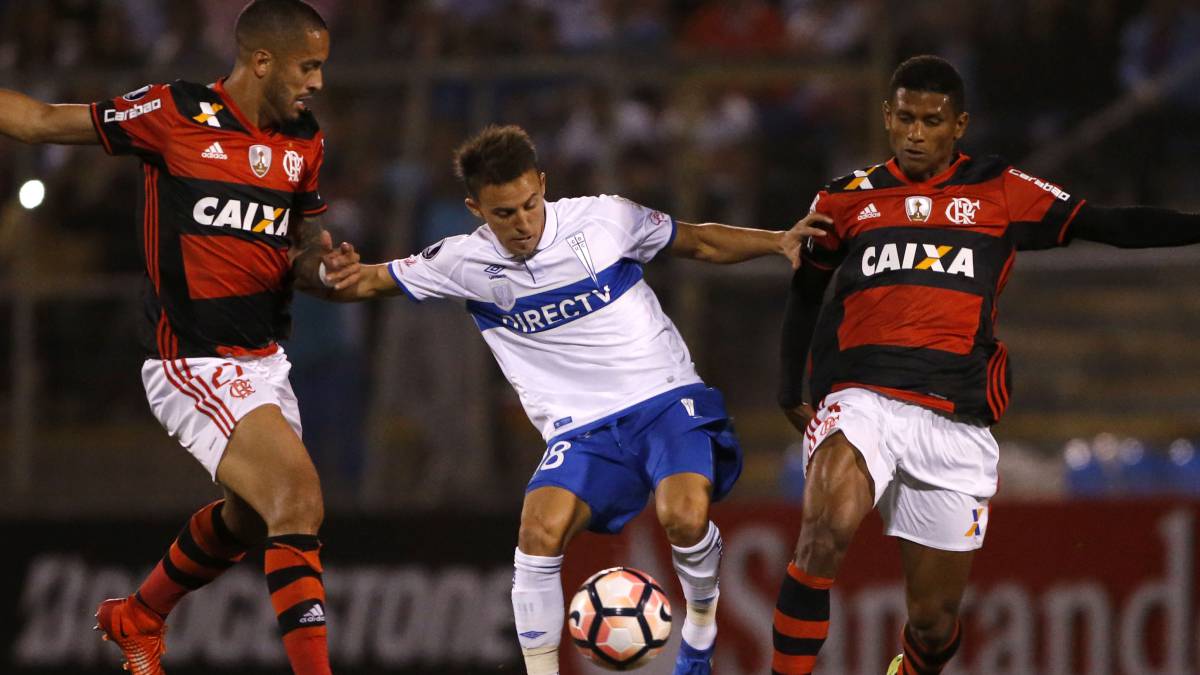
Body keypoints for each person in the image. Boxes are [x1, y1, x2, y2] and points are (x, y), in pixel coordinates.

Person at [328, 124, 828, 675]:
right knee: (537, 532)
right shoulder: (461, 262)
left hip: (663, 397)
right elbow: (368, 282)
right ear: (475, 209)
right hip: (581, 430)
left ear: (543, 183)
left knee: (684, 518)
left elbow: (698, 241)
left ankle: (700, 632)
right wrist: (325, 271)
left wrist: (777, 240)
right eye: (503, 214)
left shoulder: (604, 218)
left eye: (528, 204)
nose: (521, 223)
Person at [771, 54, 1200, 675]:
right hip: (862, 396)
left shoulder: (1001, 191)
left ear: (959, 124)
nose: (917, 132)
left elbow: (1107, 224)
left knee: (934, 623)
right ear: (886, 118)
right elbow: (807, 290)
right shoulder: (843, 201)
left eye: (932, 120)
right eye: (905, 118)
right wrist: (791, 384)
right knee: (825, 529)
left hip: (956, 417)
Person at [0, 2, 361, 674]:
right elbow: (39, 121)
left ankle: (138, 614)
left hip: (264, 361)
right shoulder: (175, 113)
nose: (316, 81)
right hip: (192, 358)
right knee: (299, 497)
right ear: (262, 61)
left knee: (252, 520)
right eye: (308, 66)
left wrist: (323, 265)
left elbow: (303, 247)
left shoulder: (305, 139)